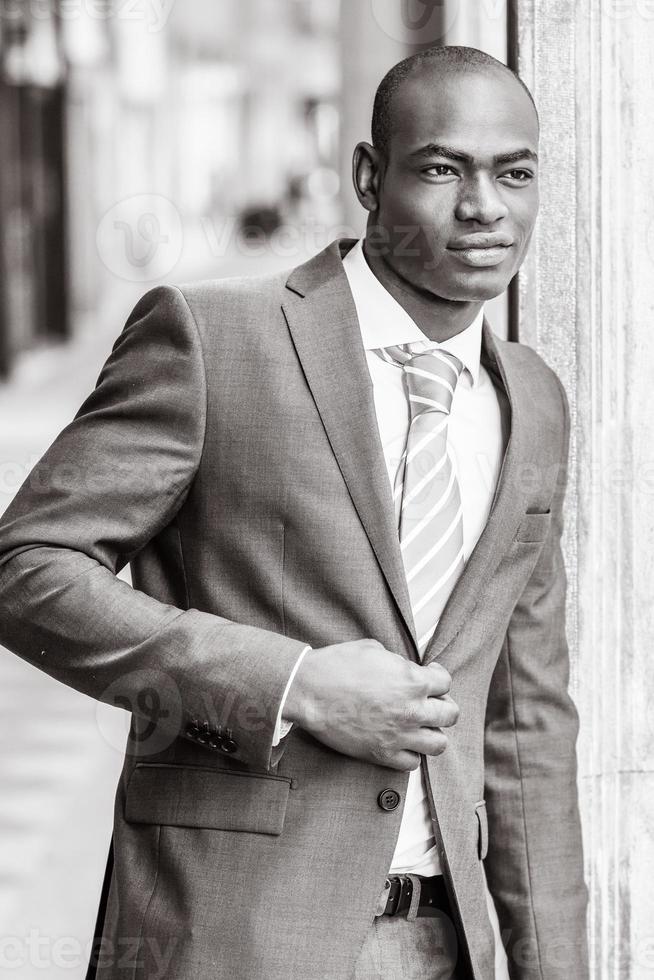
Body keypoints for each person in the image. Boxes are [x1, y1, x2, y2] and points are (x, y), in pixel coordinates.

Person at [0, 45, 588, 980]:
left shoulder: (533, 401)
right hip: (230, 938)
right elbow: (28, 571)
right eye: (443, 169)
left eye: (514, 174)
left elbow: (527, 723)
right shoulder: (213, 337)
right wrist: (293, 685)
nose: (485, 207)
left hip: (449, 944)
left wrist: (554, 963)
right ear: (368, 176)